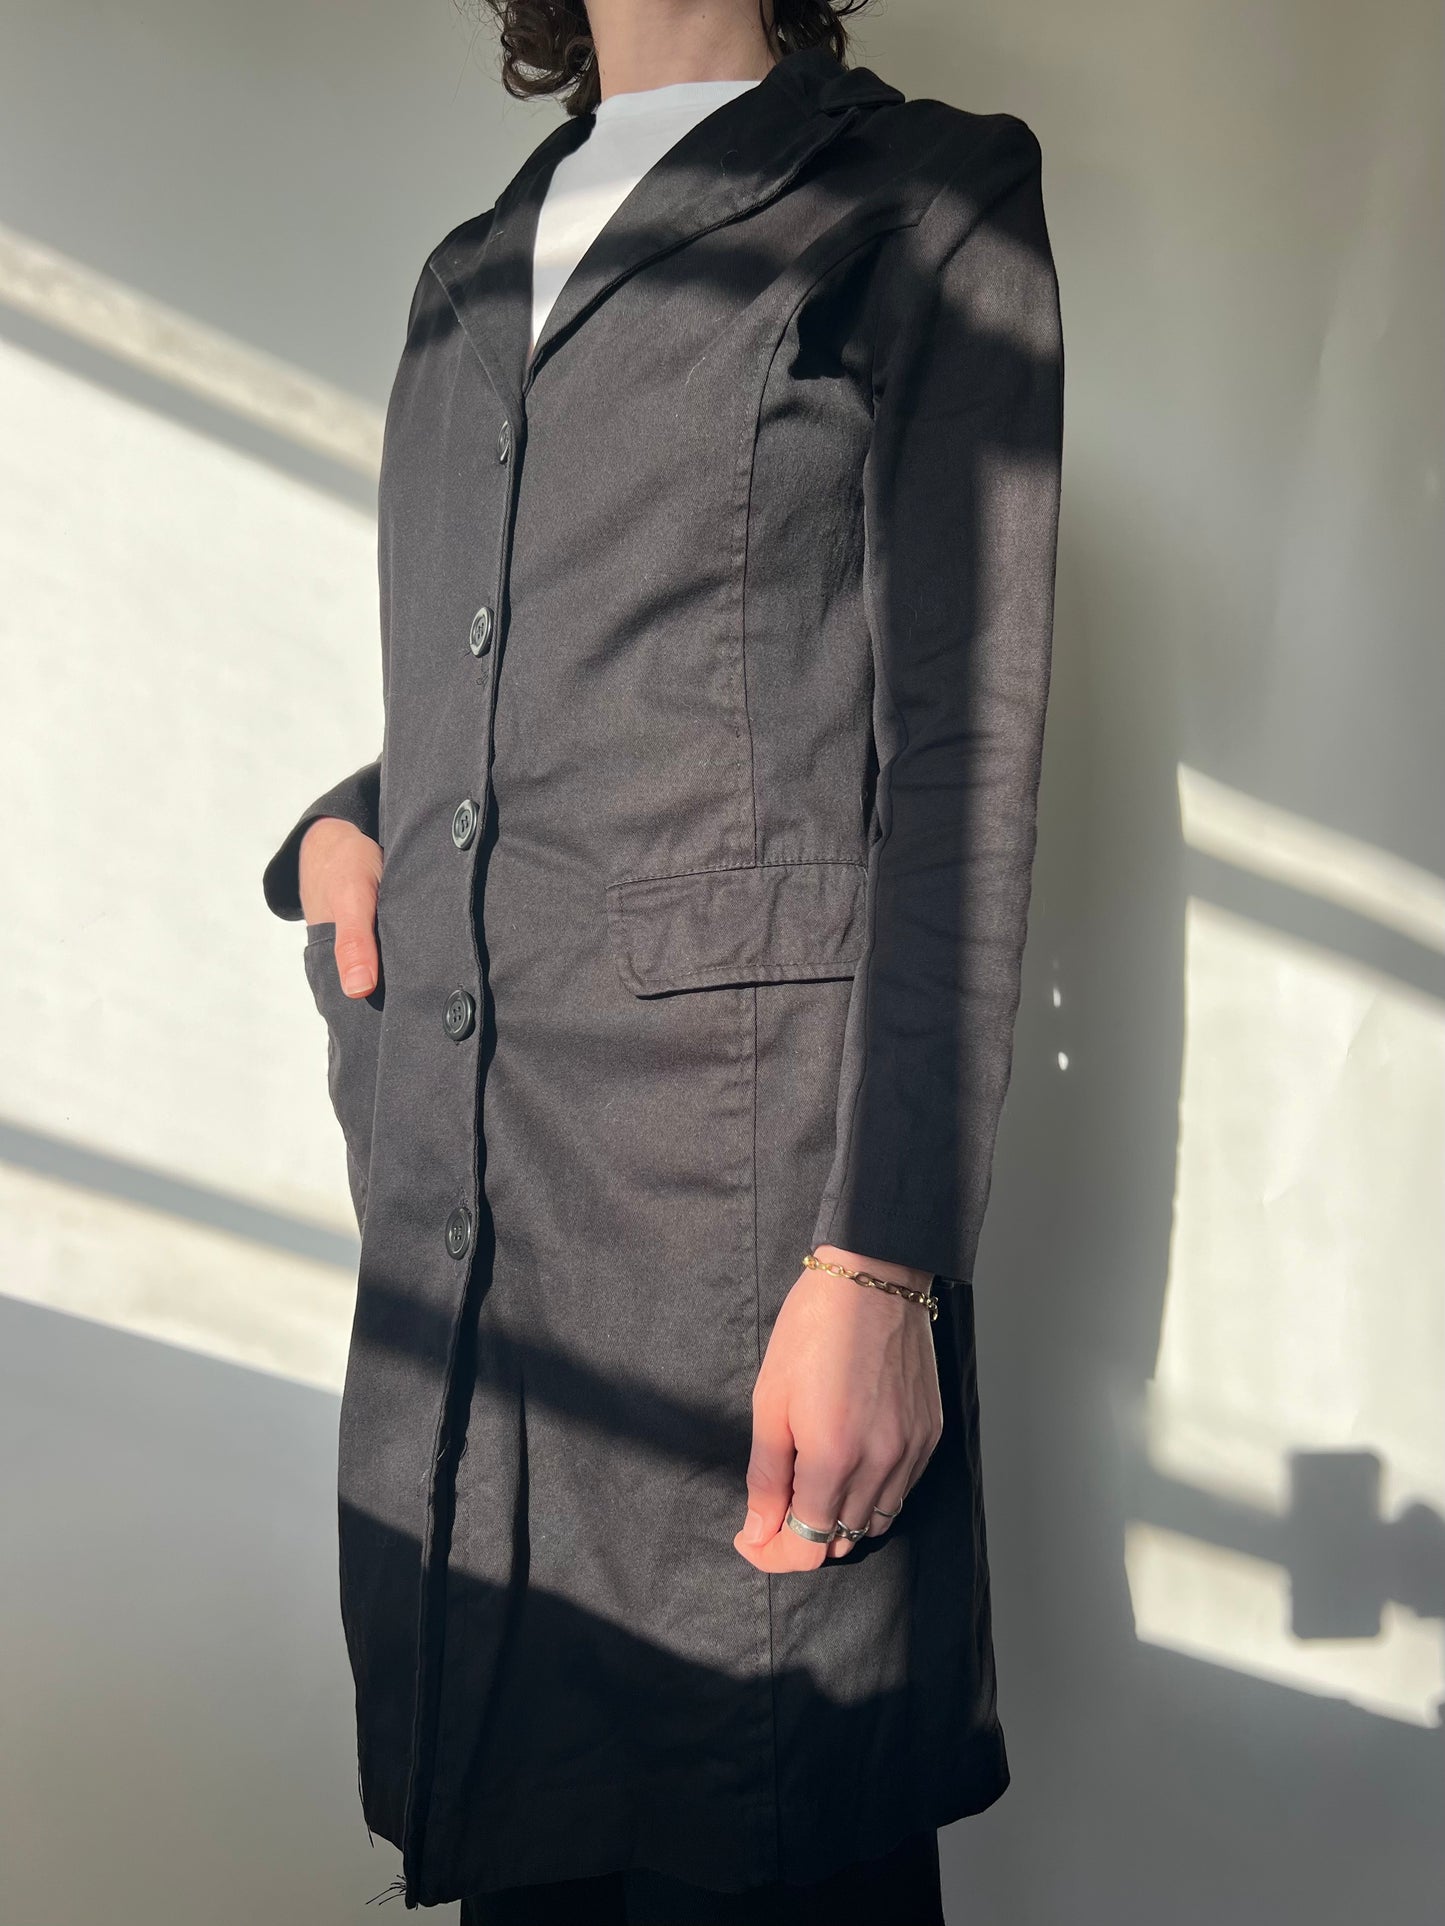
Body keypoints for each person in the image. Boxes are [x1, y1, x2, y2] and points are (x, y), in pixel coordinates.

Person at [262, 1, 1063, 1919]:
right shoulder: (466, 275)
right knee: (528, 1835)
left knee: (764, 1836)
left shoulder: (919, 196)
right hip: (474, 1210)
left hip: (742, 1227)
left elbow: (957, 751)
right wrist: (346, 823)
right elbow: (511, 700)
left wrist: (881, 1265)